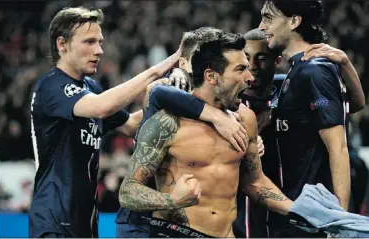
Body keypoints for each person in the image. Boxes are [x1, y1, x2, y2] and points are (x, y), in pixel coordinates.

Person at [29, 7, 248, 238]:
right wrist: (163, 69)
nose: (99, 50)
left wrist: (165, 92)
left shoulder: (89, 89)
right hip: (53, 220)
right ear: (62, 44)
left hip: (85, 220)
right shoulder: (51, 87)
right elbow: (102, 107)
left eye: (100, 42)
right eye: (90, 42)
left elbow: (132, 124)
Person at [118, 31, 295, 238]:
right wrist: (171, 201)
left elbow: (254, 182)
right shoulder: (168, 121)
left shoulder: (245, 119)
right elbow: (128, 191)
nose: (249, 77)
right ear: (211, 76)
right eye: (240, 69)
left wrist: (301, 210)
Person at [234, 28, 365, 237]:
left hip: (290, 199)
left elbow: (355, 104)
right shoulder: (232, 100)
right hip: (249, 206)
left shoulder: (290, 86)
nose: (253, 66)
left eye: (261, 58)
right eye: (247, 58)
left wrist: (344, 62)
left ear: (276, 61)